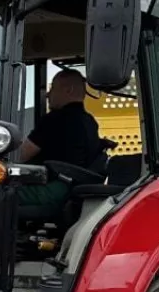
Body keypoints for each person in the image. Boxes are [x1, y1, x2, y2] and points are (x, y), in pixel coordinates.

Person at [14, 67, 106, 218]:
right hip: (72, 190)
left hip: (52, 190)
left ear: (68, 90)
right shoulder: (89, 121)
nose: (48, 94)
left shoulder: (55, 120)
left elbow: (20, 155)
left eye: (53, 88)